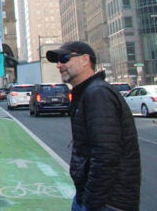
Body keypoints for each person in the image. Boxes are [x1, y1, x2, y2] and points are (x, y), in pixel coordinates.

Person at [46, 41, 140, 211]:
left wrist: (91, 202)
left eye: (65, 58)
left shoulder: (98, 93)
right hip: (92, 197)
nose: (59, 65)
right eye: (57, 61)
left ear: (85, 60)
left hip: (108, 202)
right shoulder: (87, 92)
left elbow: (106, 155)